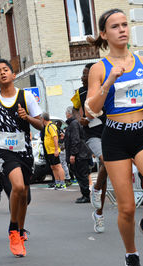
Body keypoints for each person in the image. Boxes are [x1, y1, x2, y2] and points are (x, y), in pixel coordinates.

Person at [85, 9, 143, 266]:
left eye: (125, 24)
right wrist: (109, 80)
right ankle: (131, 254)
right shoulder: (99, 68)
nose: (122, 29)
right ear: (104, 34)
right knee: (127, 208)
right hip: (115, 139)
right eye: (115, 26)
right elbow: (92, 109)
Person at [0, 59, 42, 257]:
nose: (3, 73)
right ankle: (13, 230)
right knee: (16, 187)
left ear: (13, 74)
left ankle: (21, 229)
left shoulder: (26, 97)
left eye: (6, 70)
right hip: (4, 150)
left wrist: (27, 118)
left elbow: (41, 124)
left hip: (24, 150)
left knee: (24, 193)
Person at [71, 63, 107, 233]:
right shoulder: (80, 92)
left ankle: (99, 214)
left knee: (106, 172)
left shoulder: (106, 88)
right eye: (82, 74)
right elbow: (74, 109)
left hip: (111, 132)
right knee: (105, 162)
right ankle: (96, 190)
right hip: (92, 134)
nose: (82, 77)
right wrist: (80, 118)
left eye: (85, 74)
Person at [64, 106, 92, 203]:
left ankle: (86, 195)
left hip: (80, 154)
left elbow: (75, 139)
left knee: (81, 175)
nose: (65, 114)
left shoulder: (74, 124)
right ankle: (85, 194)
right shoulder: (74, 123)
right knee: (80, 175)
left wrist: (73, 154)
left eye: (66, 113)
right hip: (81, 153)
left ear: (69, 113)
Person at [41, 113, 66, 189]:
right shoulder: (47, 127)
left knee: (58, 166)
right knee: (53, 167)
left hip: (53, 150)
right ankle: (57, 183)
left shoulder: (51, 126)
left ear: (43, 119)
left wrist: (56, 149)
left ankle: (62, 183)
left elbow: (55, 137)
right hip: (49, 151)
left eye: (40, 119)